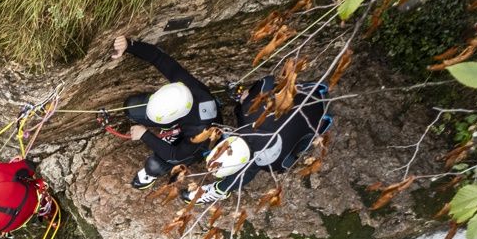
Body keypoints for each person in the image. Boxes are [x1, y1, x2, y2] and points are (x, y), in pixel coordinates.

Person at [181, 78, 333, 203]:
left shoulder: (274, 162)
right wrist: (245, 97)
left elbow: (289, 161)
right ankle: (221, 189)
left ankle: (221, 190)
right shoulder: (249, 112)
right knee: (257, 155)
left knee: (255, 164)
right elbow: (267, 81)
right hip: (314, 91)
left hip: (322, 117)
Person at [109, 35, 223, 190]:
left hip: (193, 142)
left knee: (154, 165)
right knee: (132, 108)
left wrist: (145, 135)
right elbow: (158, 57)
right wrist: (129, 45)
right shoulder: (185, 86)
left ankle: (152, 173)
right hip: (186, 120)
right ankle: (172, 129)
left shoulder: (200, 134)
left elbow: (175, 155)